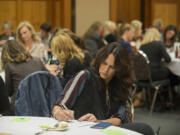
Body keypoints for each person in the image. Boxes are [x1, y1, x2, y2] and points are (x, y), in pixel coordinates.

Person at [52, 43, 154, 135]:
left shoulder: (119, 84)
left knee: (145, 129)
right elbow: (58, 106)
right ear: (99, 60)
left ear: (119, 69)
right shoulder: (84, 76)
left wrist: (98, 122)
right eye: (104, 63)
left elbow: (118, 119)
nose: (106, 70)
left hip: (105, 129)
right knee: (145, 129)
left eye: (112, 67)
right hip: (82, 131)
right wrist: (58, 113)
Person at [1, 40, 46, 112]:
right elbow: (47, 81)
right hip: (40, 103)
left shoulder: (9, 66)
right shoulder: (37, 60)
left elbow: (8, 92)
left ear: (5, 54)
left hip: (20, 106)